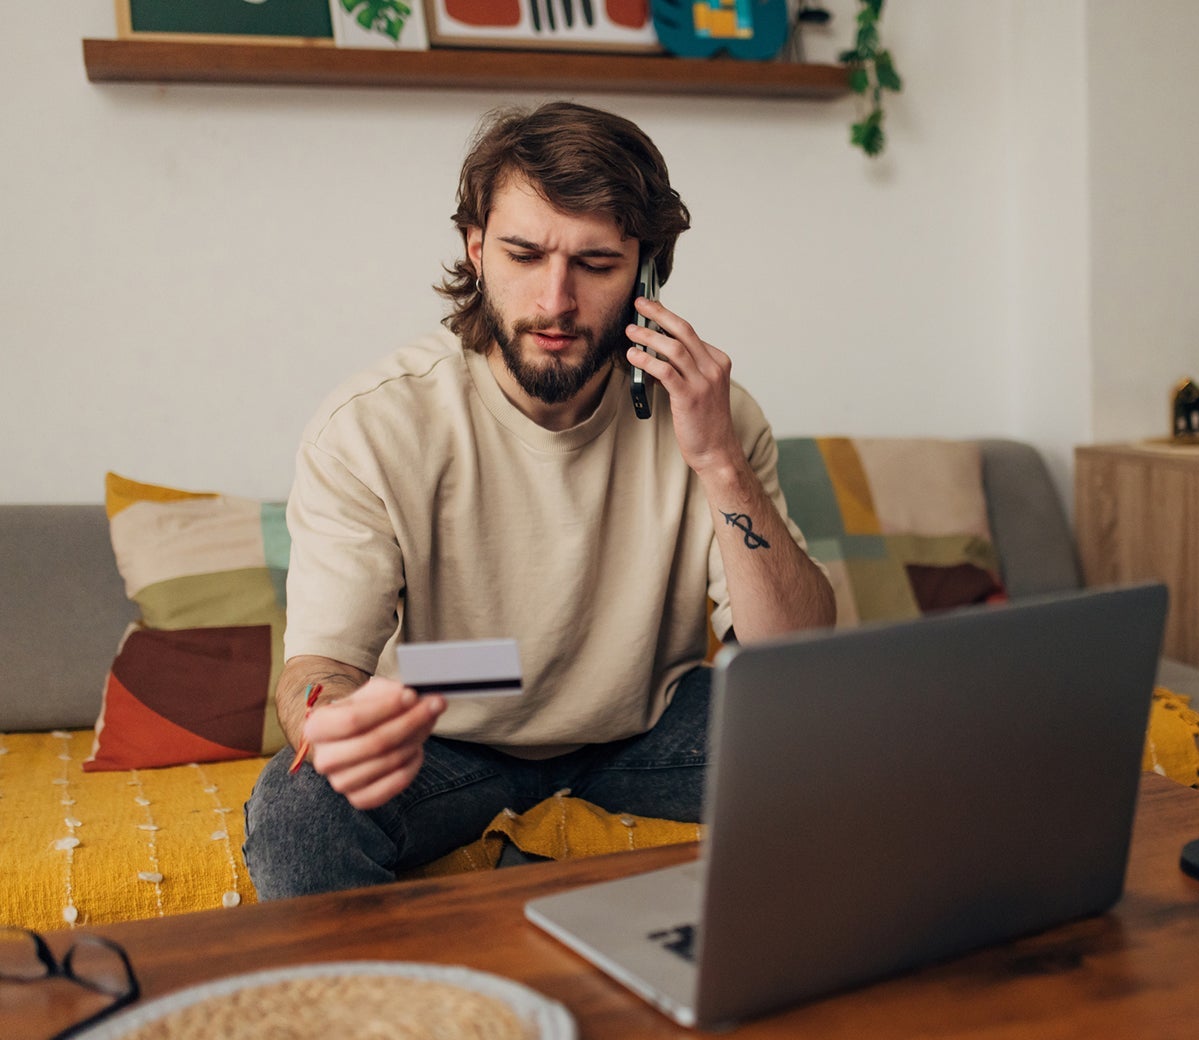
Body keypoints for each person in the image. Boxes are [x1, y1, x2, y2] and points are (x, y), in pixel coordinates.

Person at [243, 103, 836, 899]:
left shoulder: (711, 419)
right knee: (297, 809)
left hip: (642, 722)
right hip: (448, 733)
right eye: (525, 255)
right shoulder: (374, 425)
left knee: (859, 735)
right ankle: (384, 1021)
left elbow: (794, 658)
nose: (555, 301)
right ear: (477, 250)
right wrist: (327, 721)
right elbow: (320, 669)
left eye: (595, 264)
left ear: (647, 272)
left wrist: (719, 462)